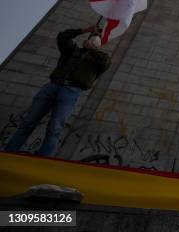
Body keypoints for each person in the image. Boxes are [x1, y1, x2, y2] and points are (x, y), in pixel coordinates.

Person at [5, 26, 111, 156]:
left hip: (71, 92)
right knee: (28, 121)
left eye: (98, 38)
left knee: (55, 128)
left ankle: (43, 159)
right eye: (94, 37)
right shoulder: (72, 51)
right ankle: (9, 153)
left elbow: (105, 63)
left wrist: (92, 50)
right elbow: (63, 36)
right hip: (52, 86)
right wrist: (85, 30)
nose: (95, 39)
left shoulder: (100, 58)